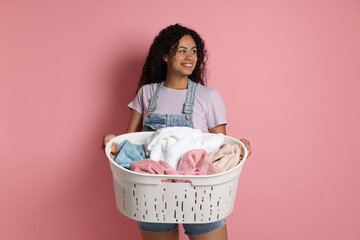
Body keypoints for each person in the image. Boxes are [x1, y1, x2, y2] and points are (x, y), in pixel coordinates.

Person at [103, 23, 251, 240]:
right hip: (154, 195)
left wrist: (239, 148)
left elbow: (220, 147)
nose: (189, 56)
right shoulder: (147, 93)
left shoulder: (208, 96)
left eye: (194, 51)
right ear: (165, 55)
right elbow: (130, 144)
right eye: (182, 50)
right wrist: (112, 144)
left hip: (201, 194)